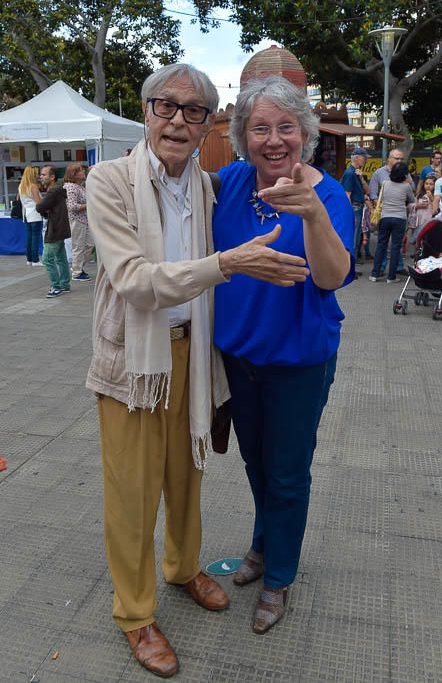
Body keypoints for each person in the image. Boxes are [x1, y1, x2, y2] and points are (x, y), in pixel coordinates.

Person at [85, 63, 309, 678]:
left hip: (195, 353)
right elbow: (133, 280)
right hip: (134, 360)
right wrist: (226, 264)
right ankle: (135, 614)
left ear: (209, 123)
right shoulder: (111, 180)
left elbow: (286, 168)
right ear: (146, 112)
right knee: (132, 493)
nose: (178, 121)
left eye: (194, 110)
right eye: (166, 106)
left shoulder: (208, 186)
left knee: (187, 476)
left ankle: (182, 571)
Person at [213, 75, 354, 635]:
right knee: (256, 463)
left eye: (285, 127)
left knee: (289, 473)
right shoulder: (230, 182)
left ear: (305, 133)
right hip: (241, 359)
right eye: (260, 128)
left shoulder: (331, 194)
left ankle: (280, 577)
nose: (273, 140)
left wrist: (312, 214)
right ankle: (261, 546)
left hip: (299, 361)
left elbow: (332, 276)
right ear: (243, 135)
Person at [369, 161, 415, 283]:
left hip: (385, 217)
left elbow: (382, 198)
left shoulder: (385, 184)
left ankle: (375, 274)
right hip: (399, 218)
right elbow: (412, 200)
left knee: (381, 245)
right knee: (395, 247)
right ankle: (391, 277)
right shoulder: (406, 187)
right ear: (405, 175)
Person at [36, 165, 71, 298]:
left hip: (55, 229)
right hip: (60, 227)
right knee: (60, 257)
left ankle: (56, 286)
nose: (41, 177)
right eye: (41, 174)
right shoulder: (57, 189)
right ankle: (64, 284)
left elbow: (40, 206)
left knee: (47, 259)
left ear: (52, 177)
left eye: (44, 174)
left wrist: (40, 206)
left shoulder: (53, 191)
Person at [340, 146, 370, 272]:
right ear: (357, 158)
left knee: (356, 239)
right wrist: (348, 214)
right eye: (364, 158)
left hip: (357, 207)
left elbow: (367, 191)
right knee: (353, 239)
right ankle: (349, 268)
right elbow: (347, 195)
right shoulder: (350, 174)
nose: (366, 160)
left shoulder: (355, 173)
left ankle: (351, 267)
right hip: (354, 208)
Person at [63, 162, 94, 281]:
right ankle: (77, 271)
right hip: (77, 220)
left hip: (85, 220)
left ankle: (78, 267)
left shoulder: (80, 186)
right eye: (80, 171)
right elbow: (71, 206)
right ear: (74, 174)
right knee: (79, 246)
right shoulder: (71, 187)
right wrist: (88, 205)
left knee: (89, 244)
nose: (83, 172)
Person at [18, 166, 43, 266]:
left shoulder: (21, 186)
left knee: (29, 238)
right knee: (35, 238)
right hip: (35, 214)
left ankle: (29, 259)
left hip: (26, 214)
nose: (38, 175)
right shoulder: (33, 186)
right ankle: (35, 260)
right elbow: (38, 202)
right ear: (32, 175)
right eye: (36, 173)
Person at [408, 175, 436, 249]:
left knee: (427, 239)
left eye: (431, 184)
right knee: (418, 238)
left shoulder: (436, 196)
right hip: (418, 221)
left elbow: (437, 208)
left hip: (429, 221)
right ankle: (417, 252)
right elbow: (410, 205)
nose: (428, 186)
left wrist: (431, 198)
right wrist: (417, 205)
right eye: (426, 183)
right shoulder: (419, 195)